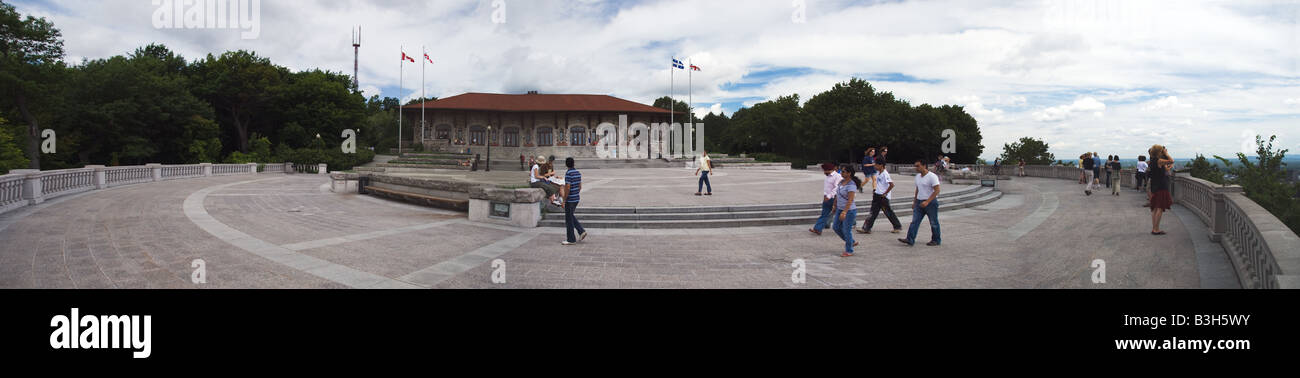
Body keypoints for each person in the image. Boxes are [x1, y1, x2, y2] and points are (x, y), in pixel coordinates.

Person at [899, 159, 941, 246]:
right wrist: (914, 201)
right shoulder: (918, 176)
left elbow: (937, 190)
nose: (916, 168)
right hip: (919, 202)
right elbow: (918, 189)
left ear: (924, 166)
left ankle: (936, 240)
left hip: (930, 202)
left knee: (933, 222)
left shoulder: (932, 176)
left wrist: (928, 201)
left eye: (918, 166)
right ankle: (910, 239)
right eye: (915, 166)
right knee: (915, 221)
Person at [860, 160, 902, 234]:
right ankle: (866, 228)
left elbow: (891, 185)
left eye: (876, 165)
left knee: (888, 212)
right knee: (873, 212)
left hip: (882, 197)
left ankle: (897, 226)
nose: (875, 166)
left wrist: (885, 193)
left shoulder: (885, 174)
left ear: (881, 165)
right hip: (877, 195)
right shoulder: (878, 173)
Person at [833, 165, 863, 257]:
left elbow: (850, 200)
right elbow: (837, 195)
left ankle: (849, 250)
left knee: (846, 230)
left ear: (849, 173)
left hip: (849, 210)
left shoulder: (851, 185)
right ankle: (851, 241)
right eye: (841, 171)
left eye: (843, 171)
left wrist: (844, 212)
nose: (841, 173)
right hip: (839, 208)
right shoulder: (841, 182)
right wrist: (834, 205)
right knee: (836, 227)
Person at [1147, 145, 1174, 235]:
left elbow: (1164, 168)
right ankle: (1156, 229)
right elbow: (1171, 160)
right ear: (1159, 152)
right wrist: (1166, 153)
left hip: (1154, 186)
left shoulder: (1152, 161)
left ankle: (1154, 228)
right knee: (1159, 208)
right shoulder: (1159, 160)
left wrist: (1169, 167)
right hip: (1161, 186)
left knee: (1155, 208)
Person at [560, 157, 587, 245]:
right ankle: (581, 231)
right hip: (576, 198)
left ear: (566, 164)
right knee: (570, 216)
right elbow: (580, 186)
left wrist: (564, 199)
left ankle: (571, 239)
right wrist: (576, 193)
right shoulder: (577, 173)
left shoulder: (568, 173)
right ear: (574, 163)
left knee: (569, 219)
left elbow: (567, 187)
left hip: (570, 199)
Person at [810, 162, 842, 236]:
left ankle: (851, 223)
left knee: (840, 213)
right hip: (826, 198)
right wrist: (825, 196)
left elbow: (837, 188)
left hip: (835, 198)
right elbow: (827, 188)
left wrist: (829, 196)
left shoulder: (837, 176)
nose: (824, 172)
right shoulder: (828, 176)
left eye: (825, 170)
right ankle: (818, 229)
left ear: (830, 170)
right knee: (824, 214)